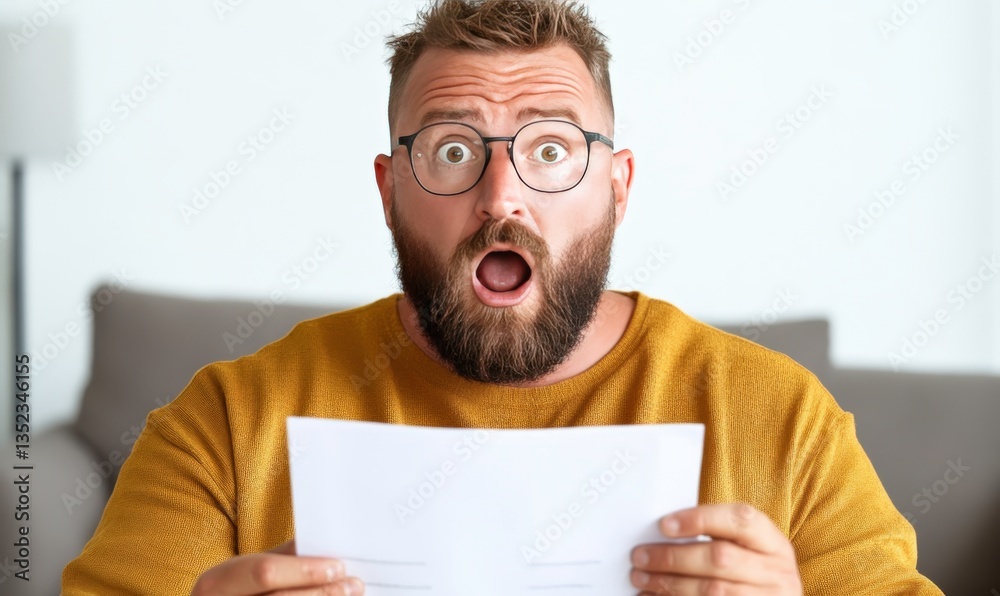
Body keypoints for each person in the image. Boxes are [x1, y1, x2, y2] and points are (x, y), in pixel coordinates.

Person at [63, 1, 942, 594]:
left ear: (617, 188)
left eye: (550, 149)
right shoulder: (225, 425)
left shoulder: (783, 421)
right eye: (452, 150)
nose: (501, 199)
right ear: (390, 192)